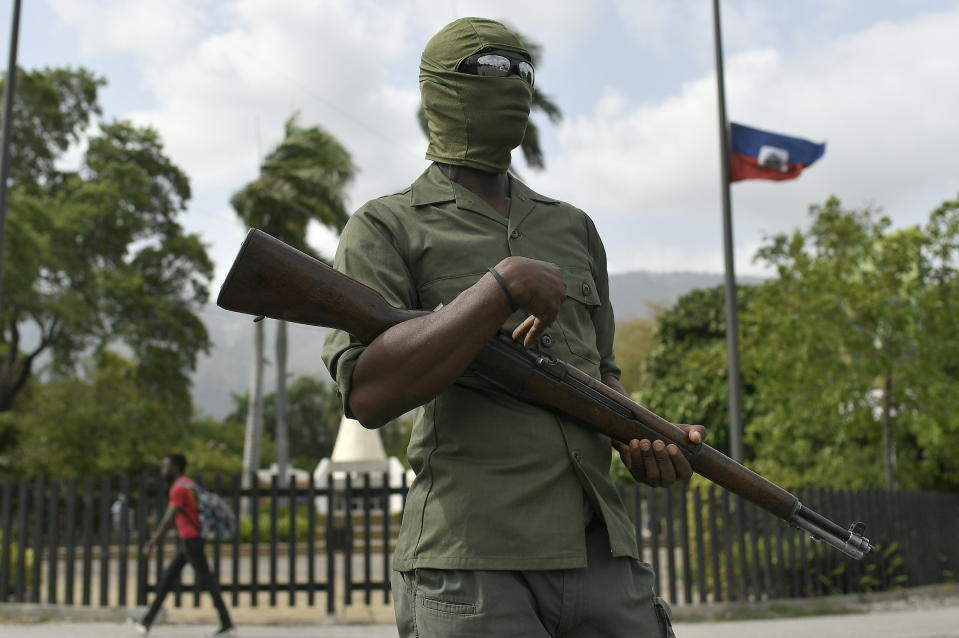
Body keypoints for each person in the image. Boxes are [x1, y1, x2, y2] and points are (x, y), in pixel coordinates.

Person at [322, 17, 705, 638]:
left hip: (602, 554)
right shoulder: (386, 227)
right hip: (472, 562)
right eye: (493, 69)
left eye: (526, 70)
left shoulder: (573, 228)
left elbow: (601, 376)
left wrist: (643, 439)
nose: (518, 85)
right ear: (440, 88)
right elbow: (368, 395)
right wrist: (498, 290)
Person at [131, 454, 236, 637]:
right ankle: (146, 622)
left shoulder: (178, 489)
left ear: (176, 467)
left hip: (190, 539)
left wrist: (152, 543)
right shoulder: (189, 484)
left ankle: (227, 624)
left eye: (166, 466)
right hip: (191, 539)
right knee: (168, 578)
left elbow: (168, 519)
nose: (164, 470)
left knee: (207, 581)